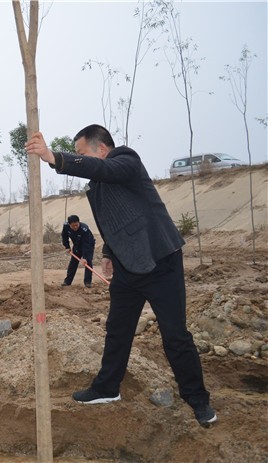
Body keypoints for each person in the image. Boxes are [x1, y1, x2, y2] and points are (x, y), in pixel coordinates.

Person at [25, 124, 216, 427]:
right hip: (128, 269)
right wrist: (107, 255)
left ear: (101, 149)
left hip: (160, 261)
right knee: (117, 330)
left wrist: (54, 158)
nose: (80, 158)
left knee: (175, 336)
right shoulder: (98, 187)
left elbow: (105, 171)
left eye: (81, 152)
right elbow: (115, 222)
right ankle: (106, 388)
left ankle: (198, 400)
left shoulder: (127, 160)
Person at [61, 214, 96, 288]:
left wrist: (85, 257)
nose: (75, 227)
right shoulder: (66, 226)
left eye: (77, 225)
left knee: (88, 262)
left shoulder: (84, 229)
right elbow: (64, 236)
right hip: (77, 244)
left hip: (88, 244)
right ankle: (67, 281)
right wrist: (67, 246)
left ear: (79, 222)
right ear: (69, 224)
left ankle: (87, 282)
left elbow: (86, 244)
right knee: (73, 262)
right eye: (73, 226)